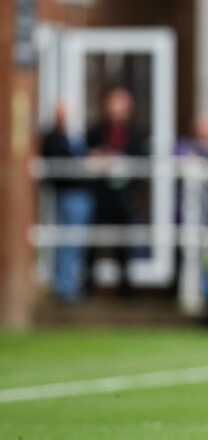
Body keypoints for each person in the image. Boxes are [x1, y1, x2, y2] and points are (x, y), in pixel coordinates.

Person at [86, 86, 150, 295]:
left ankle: (127, 287)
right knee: (95, 238)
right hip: (102, 194)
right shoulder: (95, 132)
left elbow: (141, 160)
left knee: (125, 240)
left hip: (126, 195)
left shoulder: (138, 133)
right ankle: (89, 284)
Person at [41, 100, 94, 301]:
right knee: (65, 241)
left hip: (82, 194)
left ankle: (70, 283)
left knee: (75, 241)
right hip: (66, 194)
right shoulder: (52, 138)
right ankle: (64, 286)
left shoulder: (77, 138)